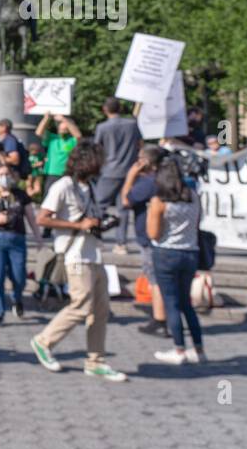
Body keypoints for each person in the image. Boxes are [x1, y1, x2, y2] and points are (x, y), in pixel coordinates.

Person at [30, 140, 127, 382]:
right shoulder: (63, 186)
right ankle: (44, 341)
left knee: (101, 310)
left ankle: (96, 360)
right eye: (98, 160)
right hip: (74, 255)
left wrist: (100, 222)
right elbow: (43, 218)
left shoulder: (89, 186)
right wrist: (78, 225)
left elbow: (87, 216)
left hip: (93, 253)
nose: (102, 165)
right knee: (81, 306)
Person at [146, 158, 206, 364]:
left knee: (171, 302)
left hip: (166, 253)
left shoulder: (159, 201)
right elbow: (198, 223)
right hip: (190, 252)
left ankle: (179, 349)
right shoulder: (194, 197)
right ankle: (198, 348)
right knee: (186, 303)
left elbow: (153, 233)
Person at [0, 164, 41, 326]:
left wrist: (38, 236)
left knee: (19, 277)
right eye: (1, 174)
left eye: (7, 174)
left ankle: (17, 299)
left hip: (17, 240)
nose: (4, 177)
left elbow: (31, 216)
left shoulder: (20, 195)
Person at [122, 145, 169, 336]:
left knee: (155, 280)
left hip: (151, 236)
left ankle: (160, 320)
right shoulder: (169, 178)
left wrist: (131, 176)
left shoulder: (149, 182)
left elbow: (126, 200)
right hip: (169, 237)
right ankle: (169, 317)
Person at [94, 97, 142, 254]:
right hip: (129, 171)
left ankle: (96, 238)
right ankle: (121, 243)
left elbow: (97, 148)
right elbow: (140, 144)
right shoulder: (132, 125)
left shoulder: (102, 127)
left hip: (109, 171)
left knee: (99, 205)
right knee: (123, 208)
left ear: (105, 110)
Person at [35, 112, 82, 201]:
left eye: (66, 128)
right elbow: (38, 132)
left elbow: (78, 135)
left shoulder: (72, 140)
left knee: (67, 199)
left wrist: (64, 119)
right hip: (52, 173)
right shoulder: (53, 138)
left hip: (67, 174)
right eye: (61, 128)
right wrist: (46, 118)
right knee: (49, 199)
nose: (63, 130)